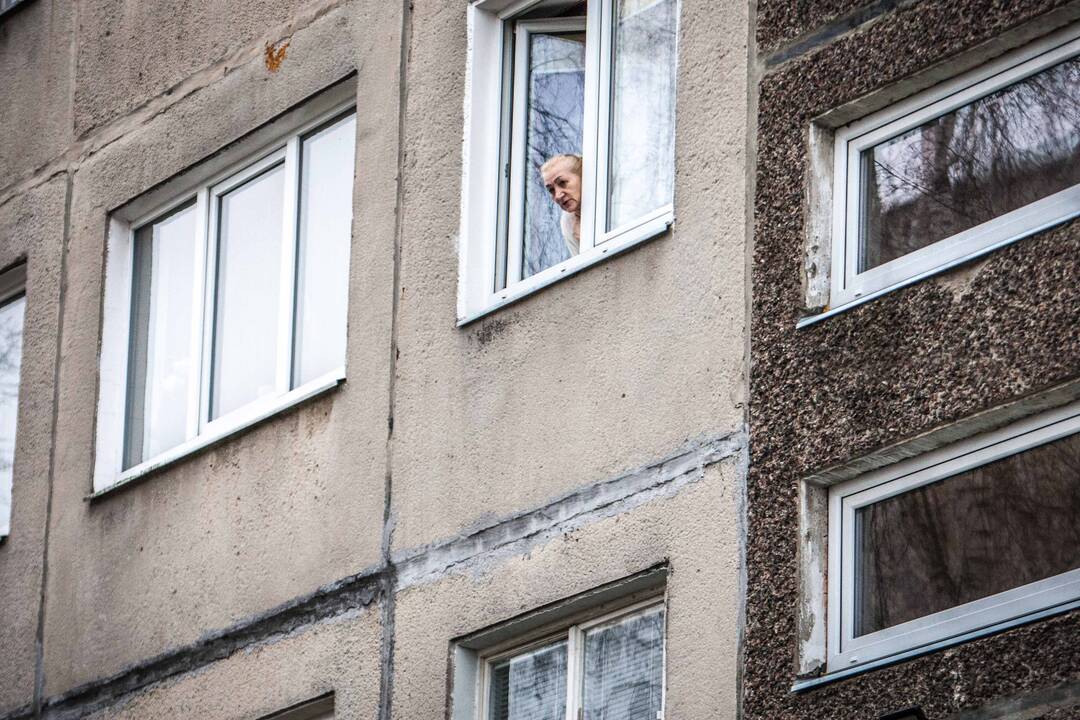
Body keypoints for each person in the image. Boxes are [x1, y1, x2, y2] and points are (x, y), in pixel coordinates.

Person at [540, 154, 583, 256]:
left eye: (562, 182)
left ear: (583, 177)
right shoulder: (568, 222)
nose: (557, 195)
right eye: (551, 190)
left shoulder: (610, 199)